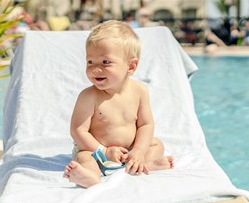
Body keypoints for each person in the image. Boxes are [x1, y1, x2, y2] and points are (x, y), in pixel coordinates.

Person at [64, 20, 174, 188]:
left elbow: (146, 124)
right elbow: (78, 131)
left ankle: (141, 163)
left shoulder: (139, 91)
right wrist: (104, 151)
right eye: (90, 62)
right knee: (82, 157)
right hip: (97, 152)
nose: (95, 68)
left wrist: (138, 151)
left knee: (156, 144)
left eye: (105, 62)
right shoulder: (88, 96)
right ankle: (91, 176)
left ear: (131, 66)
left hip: (128, 152)